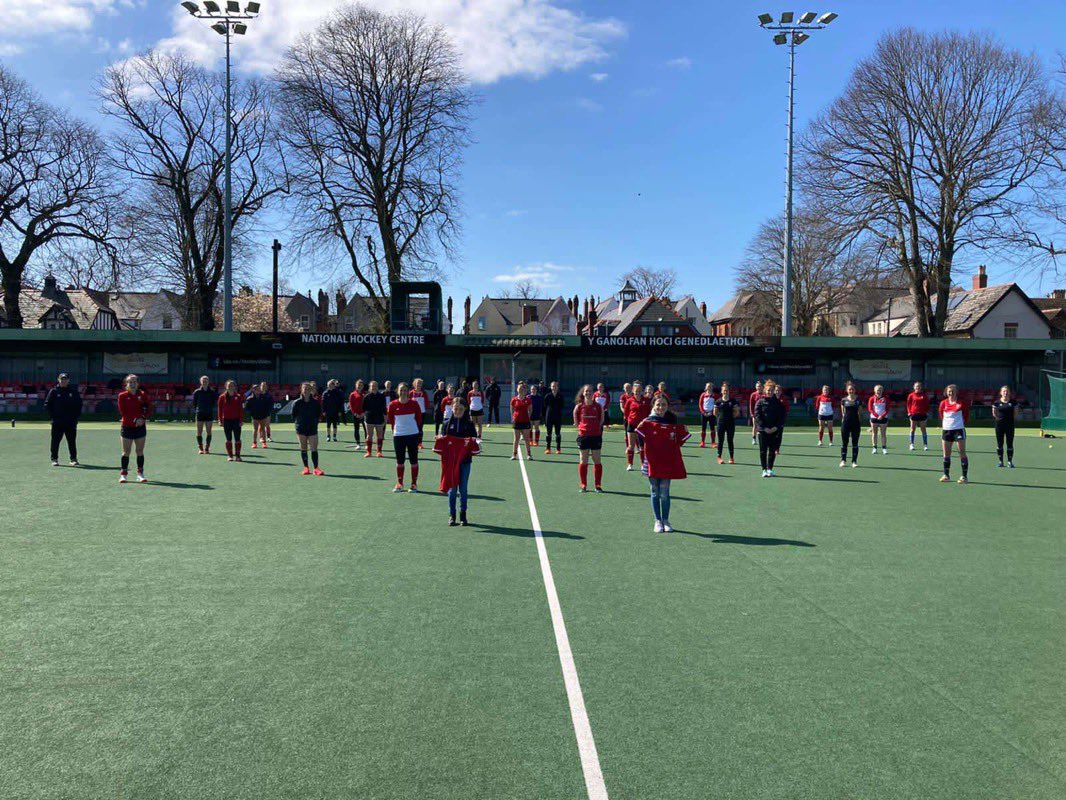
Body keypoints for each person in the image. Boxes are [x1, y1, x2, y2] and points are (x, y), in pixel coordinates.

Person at [636, 395, 690, 532]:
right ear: (653, 406)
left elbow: (678, 441)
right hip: (652, 461)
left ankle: (666, 520)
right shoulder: (647, 422)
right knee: (655, 491)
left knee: (665, 492)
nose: (661, 408)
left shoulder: (672, 420)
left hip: (667, 461)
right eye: (658, 405)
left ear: (668, 406)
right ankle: (657, 521)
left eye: (664, 405)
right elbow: (640, 437)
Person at [435, 397, 481, 526]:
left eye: (460, 409)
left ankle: (463, 515)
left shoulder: (469, 423)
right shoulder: (446, 424)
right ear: (452, 408)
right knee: (452, 489)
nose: (458, 411)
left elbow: (474, 440)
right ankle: (452, 515)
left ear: (465, 409)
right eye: (455, 408)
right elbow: (442, 440)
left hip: (465, 461)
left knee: (464, 489)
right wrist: (439, 438)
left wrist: (472, 441)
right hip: (450, 462)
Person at [387, 382, 423, 492]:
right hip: (398, 436)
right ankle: (400, 483)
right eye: (401, 390)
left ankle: (413, 484)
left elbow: (419, 419)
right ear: (398, 391)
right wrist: (396, 431)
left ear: (408, 392)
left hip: (412, 435)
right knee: (400, 461)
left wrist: (413, 430)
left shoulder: (414, 404)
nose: (403, 392)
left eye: (405, 390)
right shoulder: (392, 405)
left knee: (413, 460)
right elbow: (391, 420)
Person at [117, 374, 151, 483]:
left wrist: (143, 418)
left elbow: (149, 408)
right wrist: (135, 420)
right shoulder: (122, 396)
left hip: (140, 427)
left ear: (137, 384)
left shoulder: (143, 394)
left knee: (139, 451)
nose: (132, 384)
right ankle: (123, 474)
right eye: (130, 382)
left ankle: (140, 474)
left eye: (134, 382)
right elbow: (123, 412)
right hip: (127, 427)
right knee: (126, 452)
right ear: (126, 384)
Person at [572, 384, 605, 492]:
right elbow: (576, 420)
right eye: (586, 391)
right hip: (583, 436)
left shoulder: (598, 406)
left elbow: (601, 420)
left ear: (593, 393)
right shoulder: (579, 406)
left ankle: (598, 485)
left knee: (597, 460)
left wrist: (596, 428)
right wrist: (581, 429)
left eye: (590, 391)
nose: (588, 393)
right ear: (583, 393)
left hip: (595, 436)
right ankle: (583, 484)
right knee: (583, 460)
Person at [45, 372, 82, 466]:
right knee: (55, 441)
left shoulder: (73, 392)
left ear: (68, 380)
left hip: (71, 422)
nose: (63, 381)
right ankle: (54, 459)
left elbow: (79, 405)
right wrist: (53, 417)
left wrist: (75, 417)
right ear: (58, 380)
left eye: (65, 379)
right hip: (57, 422)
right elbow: (47, 405)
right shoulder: (54, 391)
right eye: (62, 379)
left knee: (71, 441)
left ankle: (73, 459)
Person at [754, 379, 785, 477]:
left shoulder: (779, 403)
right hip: (763, 431)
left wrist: (776, 427)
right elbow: (757, 416)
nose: (770, 392)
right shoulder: (760, 402)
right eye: (768, 390)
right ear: (764, 391)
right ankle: (764, 470)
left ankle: (770, 469)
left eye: (771, 390)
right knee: (763, 451)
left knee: (772, 450)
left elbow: (782, 416)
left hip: (774, 431)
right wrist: (764, 428)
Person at [292, 381, 324, 475]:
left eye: (308, 388)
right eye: (304, 388)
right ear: (301, 390)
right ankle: (306, 468)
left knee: (314, 448)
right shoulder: (296, 403)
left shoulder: (315, 403)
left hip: (312, 428)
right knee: (303, 448)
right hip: (301, 429)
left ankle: (316, 468)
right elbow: (293, 415)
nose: (306, 390)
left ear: (311, 390)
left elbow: (319, 414)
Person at [939, 384, 969, 484]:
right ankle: (946, 475)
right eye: (949, 391)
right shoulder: (943, 403)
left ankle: (964, 477)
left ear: (956, 392)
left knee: (962, 453)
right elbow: (941, 414)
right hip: (947, 430)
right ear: (946, 392)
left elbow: (966, 415)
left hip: (959, 430)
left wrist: (959, 424)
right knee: (946, 454)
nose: (950, 393)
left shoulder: (961, 403)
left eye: (952, 391)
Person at [622, 380, 653, 471]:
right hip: (631, 425)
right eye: (636, 391)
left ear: (642, 391)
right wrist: (630, 421)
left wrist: (645, 422)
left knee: (642, 447)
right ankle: (630, 464)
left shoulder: (646, 400)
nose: (637, 393)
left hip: (642, 427)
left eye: (639, 391)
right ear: (633, 391)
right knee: (631, 446)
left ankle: (643, 464)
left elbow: (649, 412)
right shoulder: (629, 400)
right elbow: (626, 413)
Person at [217, 379, 245, 462]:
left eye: (232, 385)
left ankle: (238, 456)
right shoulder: (221, 397)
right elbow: (220, 410)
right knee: (228, 439)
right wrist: (219, 420)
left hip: (236, 421)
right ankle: (230, 456)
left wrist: (241, 420)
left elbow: (241, 409)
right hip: (226, 421)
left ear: (235, 387)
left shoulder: (239, 397)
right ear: (226, 387)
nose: (231, 387)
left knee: (237, 439)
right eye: (229, 385)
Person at [713, 382, 739, 464]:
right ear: (721, 391)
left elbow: (736, 412)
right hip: (721, 423)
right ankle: (719, 457)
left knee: (730, 440)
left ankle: (731, 458)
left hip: (730, 423)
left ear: (729, 391)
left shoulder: (733, 401)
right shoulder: (718, 401)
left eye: (727, 390)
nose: (725, 392)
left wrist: (731, 418)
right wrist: (721, 418)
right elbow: (715, 413)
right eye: (724, 390)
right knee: (720, 441)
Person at [192, 375, 218, 454]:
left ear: (208, 382)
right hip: (200, 413)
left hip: (209, 413)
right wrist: (198, 409)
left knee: (209, 431)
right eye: (203, 381)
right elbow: (194, 403)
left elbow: (214, 402)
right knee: (199, 432)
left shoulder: (212, 392)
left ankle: (207, 448)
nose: (205, 382)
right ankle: (200, 448)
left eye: (206, 381)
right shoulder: (197, 392)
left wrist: (209, 408)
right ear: (201, 382)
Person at [992, 385, 1017, 468]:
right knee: (1000, 443)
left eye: (1007, 391)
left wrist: (1009, 419)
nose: (1005, 393)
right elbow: (994, 413)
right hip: (999, 425)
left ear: (1009, 393)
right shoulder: (996, 403)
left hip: (1010, 425)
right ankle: (1000, 461)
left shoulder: (1013, 402)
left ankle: (1010, 462)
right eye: (1004, 391)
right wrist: (999, 419)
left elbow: (1015, 413)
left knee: (1009, 443)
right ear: (1001, 392)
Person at [839, 383, 862, 468]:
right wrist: (844, 420)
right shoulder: (844, 400)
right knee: (845, 442)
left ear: (855, 390)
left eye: (852, 389)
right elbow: (843, 412)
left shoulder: (858, 400)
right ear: (847, 390)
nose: (851, 391)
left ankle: (854, 461)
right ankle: (843, 460)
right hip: (846, 423)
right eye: (849, 389)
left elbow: (860, 412)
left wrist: (858, 421)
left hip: (855, 423)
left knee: (855, 443)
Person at [363, 380, 387, 458]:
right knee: (369, 435)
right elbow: (363, 408)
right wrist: (365, 416)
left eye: (375, 386)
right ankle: (369, 452)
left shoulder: (381, 396)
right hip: (369, 418)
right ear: (370, 387)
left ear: (377, 387)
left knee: (380, 435)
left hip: (379, 418)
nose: (374, 387)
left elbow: (384, 408)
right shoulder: (366, 396)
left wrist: (385, 418)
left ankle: (379, 452)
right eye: (372, 386)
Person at [510, 381, 534, 460]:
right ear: (517, 389)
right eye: (520, 388)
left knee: (526, 439)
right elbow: (512, 410)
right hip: (516, 422)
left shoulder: (528, 400)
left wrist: (528, 417)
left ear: (525, 390)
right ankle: (514, 455)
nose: (521, 390)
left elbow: (530, 409)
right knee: (516, 439)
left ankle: (529, 454)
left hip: (525, 421)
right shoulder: (514, 399)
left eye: (523, 388)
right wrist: (513, 417)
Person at [542, 380, 566, 454]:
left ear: (557, 387)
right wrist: (544, 418)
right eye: (553, 386)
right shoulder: (547, 396)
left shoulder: (560, 396)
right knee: (548, 433)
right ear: (551, 387)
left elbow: (562, 406)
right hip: (549, 417)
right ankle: (548, 448)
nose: (554, 387)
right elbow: (544, 407)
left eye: (555, 386)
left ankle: (558, 449)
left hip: (557, 417)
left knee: (557, 433)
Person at [246, 383, 272, 449]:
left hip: (263, 416)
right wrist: (252, 413)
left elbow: (268, 406)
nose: (257, 390)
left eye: (258, 389)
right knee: (255, 429)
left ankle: (264, 443)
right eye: (256, 389)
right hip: (255, 417)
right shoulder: (250, 399)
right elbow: (247, 408)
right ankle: (254, 443)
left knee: (263, 429)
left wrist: (265, 414)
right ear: (253, 390)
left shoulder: (264, 397)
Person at [906, 381, 931, 451]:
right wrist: (909, 412)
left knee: (923, 430)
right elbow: (908, 405)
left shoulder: (924, 395)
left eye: (919, 386)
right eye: (916, 386)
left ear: (921, 387)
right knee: (912, 429)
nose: (918, 387)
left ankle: (925, 445)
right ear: (914, 387)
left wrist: (926, 412)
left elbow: (927, 405)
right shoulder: (911, 395)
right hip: (913, 414)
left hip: (922, 414)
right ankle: (911, 444)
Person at [868, 384, 890, 455]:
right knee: (874, 434)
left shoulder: (886, 398)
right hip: (874, 418)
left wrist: (882, 416)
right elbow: (870, 409)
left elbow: (887, 409)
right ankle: (874, 448)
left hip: (883, 418)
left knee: (883, 434)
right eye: (877, 390)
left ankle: (884, 448)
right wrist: (877, 416)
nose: (879, 391)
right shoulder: (871, 398)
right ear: (875, 391)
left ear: (882, 391)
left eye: (880, 390)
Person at [410, 377, 429, 448]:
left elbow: (426, 403)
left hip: (422, 413)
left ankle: (420, 443)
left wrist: (424, 410)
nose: (419, 385)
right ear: (414, 384)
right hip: (412, 414)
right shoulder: (411, 393)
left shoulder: (424, 393)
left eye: (420, 384)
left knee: (420, 428)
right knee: (413, 428)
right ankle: (413, 442)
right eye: (417, 383)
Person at [698, 382, 717, 448]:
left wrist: (711, 412)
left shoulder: (714, 395)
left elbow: (715, 405)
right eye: (707, 386)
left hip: (711, 414)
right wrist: (703, 412)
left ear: (712, 387)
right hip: (704, 414)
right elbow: (700, 404)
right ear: (705, 387)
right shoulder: (703, 395)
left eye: (710, 386)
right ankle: (702, 442)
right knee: (703, 428)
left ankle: (713, 442)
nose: (709, 387)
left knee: (712, 428)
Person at [348, 379, 366, 447]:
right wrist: (355, 414)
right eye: (358, 385)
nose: (359, 386)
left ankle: (367, 443)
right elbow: (351, 405)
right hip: (356, 415)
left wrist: (363, 413)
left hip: (364, 415)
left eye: (361, 385)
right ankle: (358, 444)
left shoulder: (365, 394)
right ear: (356, 385)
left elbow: (367, 405)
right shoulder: (352, 394)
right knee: (356, 429)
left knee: (366, 429)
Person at [774, 384, 790, 454]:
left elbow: (787, 409)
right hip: (771, 420)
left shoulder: (784, 399)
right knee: (771, 435)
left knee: (779, 435)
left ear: (781, 391)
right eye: (776, 390)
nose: (777, 392)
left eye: (779, 390)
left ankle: (777, 449)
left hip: (780, 420)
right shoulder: (771, 398)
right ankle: (772, 448)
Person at [749, 380, 763, 445]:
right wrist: (752, 414)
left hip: (763, 414)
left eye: (760, 386)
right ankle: (754, 439)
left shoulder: (765, 394)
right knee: (755, 426)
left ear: (762, 387)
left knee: (762, 426)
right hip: (756, 413)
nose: (759, 387)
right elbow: (751, 405)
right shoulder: (753, 395)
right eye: (757, 386)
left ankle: (762, 439)